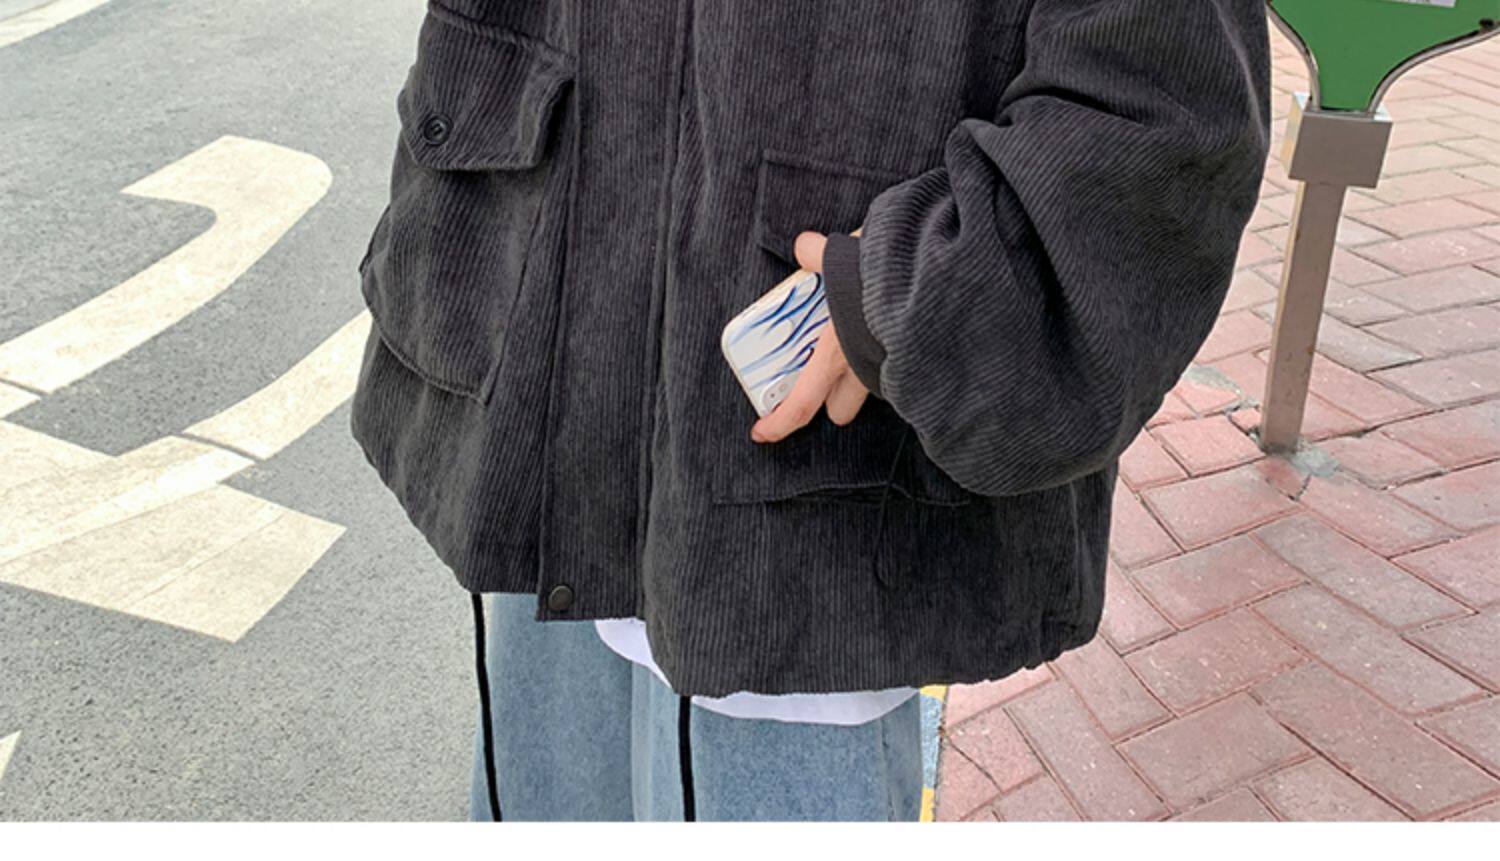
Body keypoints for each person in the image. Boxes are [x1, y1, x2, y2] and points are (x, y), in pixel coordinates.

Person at [350, 0, 1271, 821]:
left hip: (802, 515)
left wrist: (915, 290)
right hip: (548, 395)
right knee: (543, 784)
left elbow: (1160, 108)